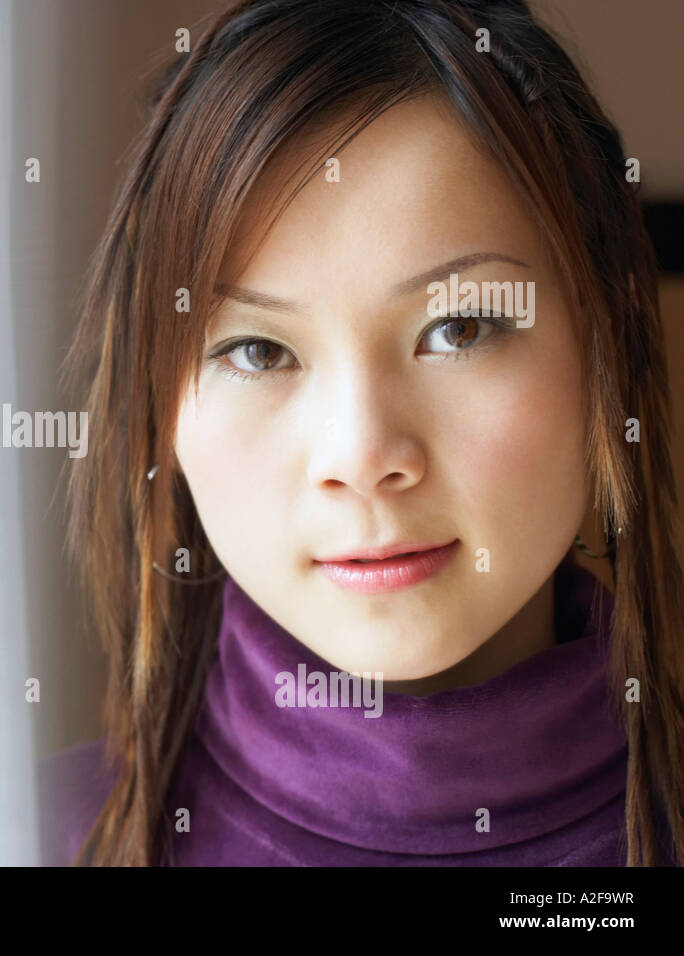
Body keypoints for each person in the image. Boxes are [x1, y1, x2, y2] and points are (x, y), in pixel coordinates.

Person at [40, 0, 684, 866]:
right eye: (258, 350)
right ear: (159, 414)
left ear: (605, 347)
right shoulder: (1, 834)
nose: (363, 456)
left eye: (459, 329)